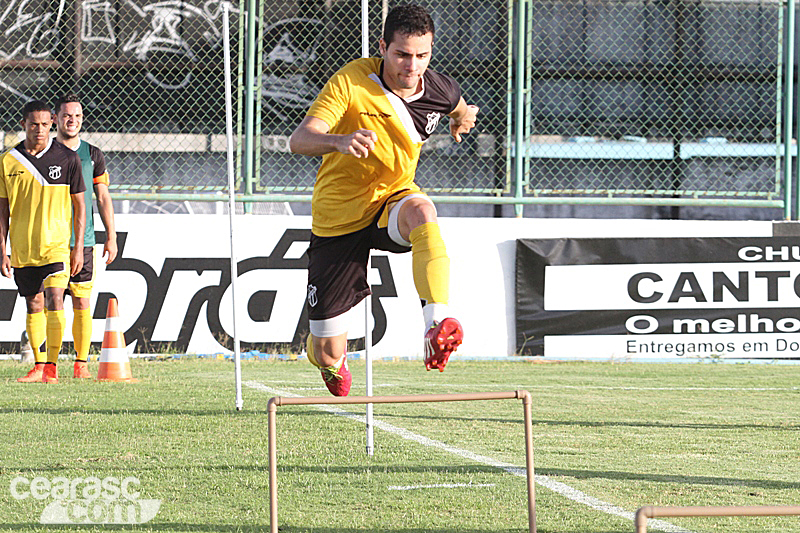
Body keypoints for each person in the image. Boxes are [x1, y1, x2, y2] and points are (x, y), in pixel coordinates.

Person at [289, 3, 478, 396]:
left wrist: (464, 120)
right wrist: (338, 141)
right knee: (327, 350)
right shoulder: (352, 82)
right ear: (383, 47)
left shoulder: (436, 87)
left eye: (422, 55)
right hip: (340, 218)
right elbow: (299, 140)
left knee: (424, 210)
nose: (412, 66)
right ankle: (327, 357)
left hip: (392, 200)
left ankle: (434, 325)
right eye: (402, 55)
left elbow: (459, 108)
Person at [0, 100, 86, 384]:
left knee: (55, 299)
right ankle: (38, 366)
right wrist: (3, 249)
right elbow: (2, 211)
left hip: (57, 247)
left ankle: (51, 367)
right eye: (33, 124)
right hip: (24, 249)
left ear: (52, 123)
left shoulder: (67, 159)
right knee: (33, 304)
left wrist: (77, 248)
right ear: (23, 124)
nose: (39, 129)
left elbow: (80, 207)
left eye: (45, 124)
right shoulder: (8, 160)